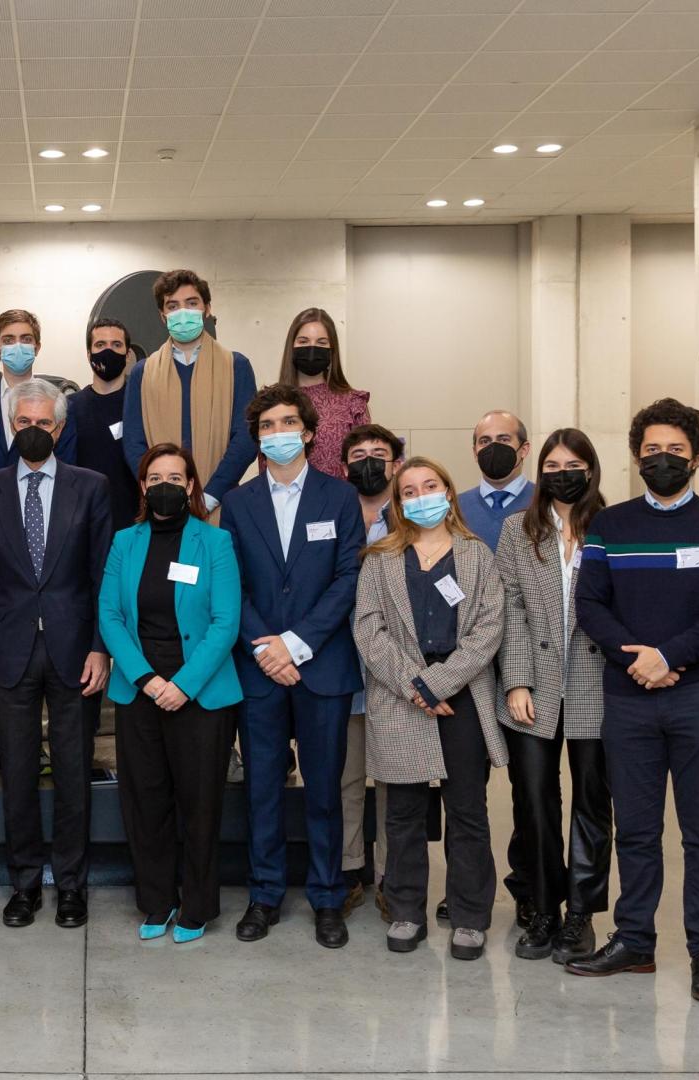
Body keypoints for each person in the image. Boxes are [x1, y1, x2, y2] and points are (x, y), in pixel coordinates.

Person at [568, 397, 699, 1006]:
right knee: (638, 831)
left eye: (676, 450)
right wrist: (636, 659)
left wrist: (666, 657)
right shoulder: (610, 525)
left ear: (697, 456)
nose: (663, 459)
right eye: (652, 450)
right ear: (636, 457)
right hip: (629, 699)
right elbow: (590, 604)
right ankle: (635, 942)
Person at [0, 379, 112, 930]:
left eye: (42, 423)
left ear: (60, 427)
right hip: (8, 650)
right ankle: (23, 883)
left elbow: (103, 577)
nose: (32, 431)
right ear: (11, 426)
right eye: (22, 423)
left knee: (74, 772)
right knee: (18, 772)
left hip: (77, 651)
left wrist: (102, 647)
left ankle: (71, 886)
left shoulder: (91, 487)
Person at [221, 385, 365, 948]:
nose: (278, 433)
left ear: (308, 433)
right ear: (257, 438)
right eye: (267, 426)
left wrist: (296, 643)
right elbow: (231, 585)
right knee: (262, 788)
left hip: (320, 666)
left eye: (287, 423)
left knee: (324, 789)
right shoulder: (237, 504)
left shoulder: (339, 497)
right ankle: (265, 894)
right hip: (259, 670)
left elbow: (347, 579)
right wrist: (265, 645)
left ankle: (328, 897)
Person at [353, 457, 507, 961]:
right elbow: (368, 630)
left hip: (462, 695)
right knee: (403, 815)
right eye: (410, 490)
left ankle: (469, 916)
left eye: (430, 486)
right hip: (401, 699)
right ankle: (405, 909)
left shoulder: (477, 555)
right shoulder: (379, 559)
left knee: (468, 810)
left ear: (448, 492)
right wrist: (415, 685)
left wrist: (439, 682)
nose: (421, 496)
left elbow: (489, 629)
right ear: (398, 502)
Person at [97, 444, 243, 943]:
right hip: (139, 691)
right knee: (146, 800)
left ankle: (197, 905)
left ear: (191, 487)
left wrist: (181, 685)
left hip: (200, 694)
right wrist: (146, 679)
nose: (165, 485)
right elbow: (110, 616)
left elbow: (226, 622)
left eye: (176, 477)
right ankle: (156, 902)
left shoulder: (214, 543)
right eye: (154, 477)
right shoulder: (124, 542)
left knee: (200, 803)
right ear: (141, 487)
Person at [496, 429, 611, 963]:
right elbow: (510, 609)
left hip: (598, 684)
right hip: (533, 686)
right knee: (534, 801)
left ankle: (582, 916)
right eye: (552, 464)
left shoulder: (614, 526)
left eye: (573, 464)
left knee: (591, 802)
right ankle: (543, 909)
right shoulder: (517, 531)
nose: (562, 472)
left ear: (590, 470)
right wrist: (516, 680)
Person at [120, 269, 258, 514]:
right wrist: (163, 493)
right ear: (162, 316)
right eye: (172, 306)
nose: (182, 312)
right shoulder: (143, 372)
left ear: (207, 309)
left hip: (220, 505)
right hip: (160, 505)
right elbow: (134, 442)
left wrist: (210, 496)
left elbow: (246, 438)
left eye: (191, 303)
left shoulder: (236, 366)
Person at [337, 423, 404, 919]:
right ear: (343, 467)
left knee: (395, 777)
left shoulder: (411, 520)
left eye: (378, 454)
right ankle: (348, 869)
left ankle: (391, 877)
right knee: (345, 775)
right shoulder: (334, 514)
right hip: (341, 664)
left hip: (396, 670)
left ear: (396, 464)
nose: (369, 463)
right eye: (358, 455)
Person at [65, 318, 141, 533]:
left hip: (135, 525)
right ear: (89, 355)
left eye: (116, 345)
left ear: (128, 355)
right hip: (83, 525)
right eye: (100, 345)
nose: (108, 351)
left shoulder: (141, 404)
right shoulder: (70, 407)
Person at [0, 309, 69, 470]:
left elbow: (66, 463)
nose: (18, 346)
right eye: (8, 340)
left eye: (26, 339)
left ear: (37, 348)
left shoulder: (57, 402)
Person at [278, 308, 372, 479]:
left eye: (321, 343)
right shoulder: (273, 401)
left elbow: (364, 467)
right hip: (284, 502)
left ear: (332, 350)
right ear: (292, 346)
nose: (312, 348)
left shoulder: (353, 402)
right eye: (303, 341)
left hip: (340, 502)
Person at [456, 410, 533, 550]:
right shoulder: (455, 508)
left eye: (504, 439)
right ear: (475, 453)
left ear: (524, 449)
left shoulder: (545, 502)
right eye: (485, 441)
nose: (493, 447)